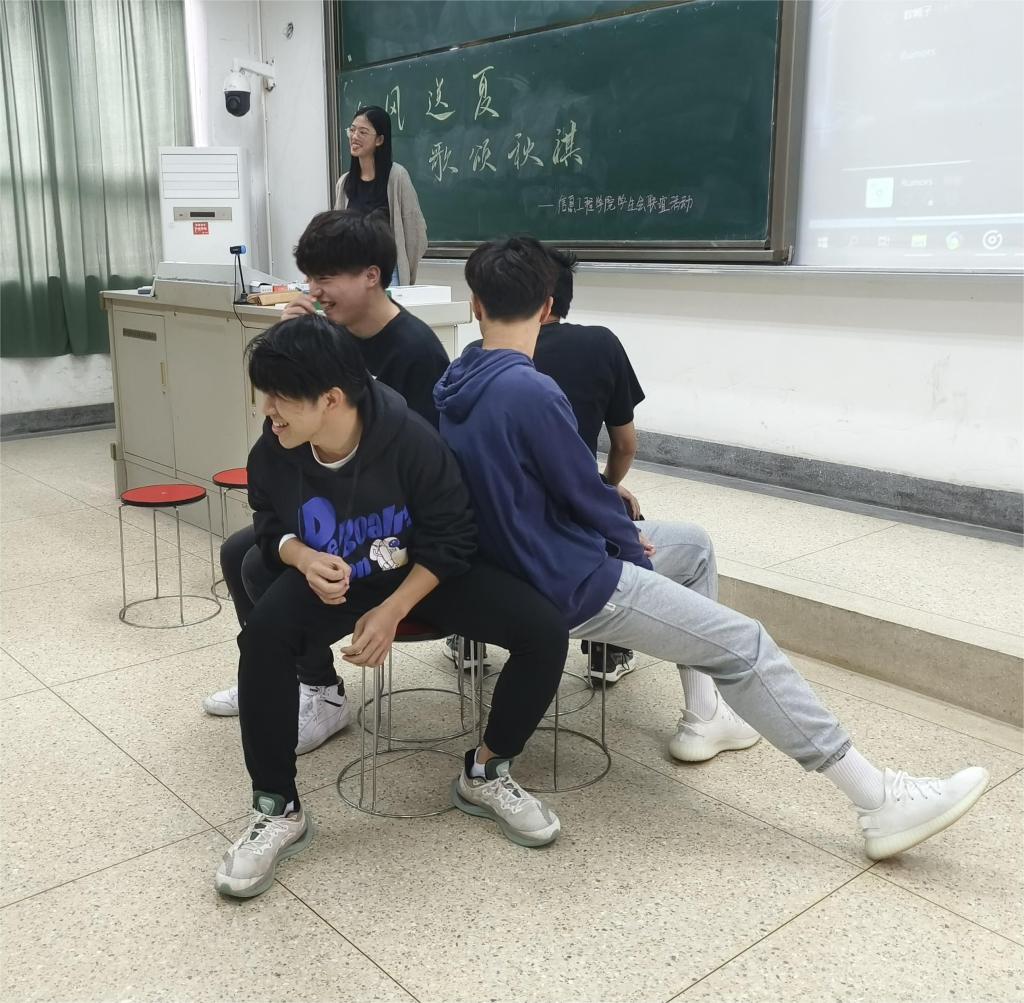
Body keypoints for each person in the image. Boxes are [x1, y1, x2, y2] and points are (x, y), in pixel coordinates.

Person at [433, 236, 988, 861]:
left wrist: (615, 525)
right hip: (571, 576)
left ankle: (706, 717)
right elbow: (584, 495)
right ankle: (878, 800)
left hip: (520, 560)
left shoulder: (459, 375)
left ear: (475, 304)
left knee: (693, 546)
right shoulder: (530, 391)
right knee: (745, 643)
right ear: (546, 305)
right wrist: (631, 551)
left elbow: (531, 483)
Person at [215, 315, 567, 898]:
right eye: (265, 395)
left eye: (279, 397)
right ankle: (276, 806)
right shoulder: (276, 446)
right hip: (336, 577)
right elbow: (268, 524)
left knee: (544, 631)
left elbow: (453, 539)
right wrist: (303, 557)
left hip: (422, 575)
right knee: (263, 639)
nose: (267, 410)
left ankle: (487, 770)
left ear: (331, 399)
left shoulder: (410, 440)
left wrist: (394, 609)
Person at [202, 210, 450, 756]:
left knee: (257, 563)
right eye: (309, 277)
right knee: (239, 550)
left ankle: (319, 688)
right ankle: (277, 670)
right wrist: (289, 340)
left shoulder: (415, 351)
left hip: (386, 523)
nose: (313, 290)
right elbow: (284, 431)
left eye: (326, 278)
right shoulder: (325, 336)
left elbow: (426, 469)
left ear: (371, 276)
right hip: (329, 499)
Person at [334, 105, 427, 286]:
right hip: (353, 274)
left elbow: (415, 231)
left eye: (363, 132)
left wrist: (405, 270)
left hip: (388, 274)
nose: (354, 136)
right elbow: (337, 234)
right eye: (352, 130)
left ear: (379, 139)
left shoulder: (397, 177)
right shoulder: (344, 183)